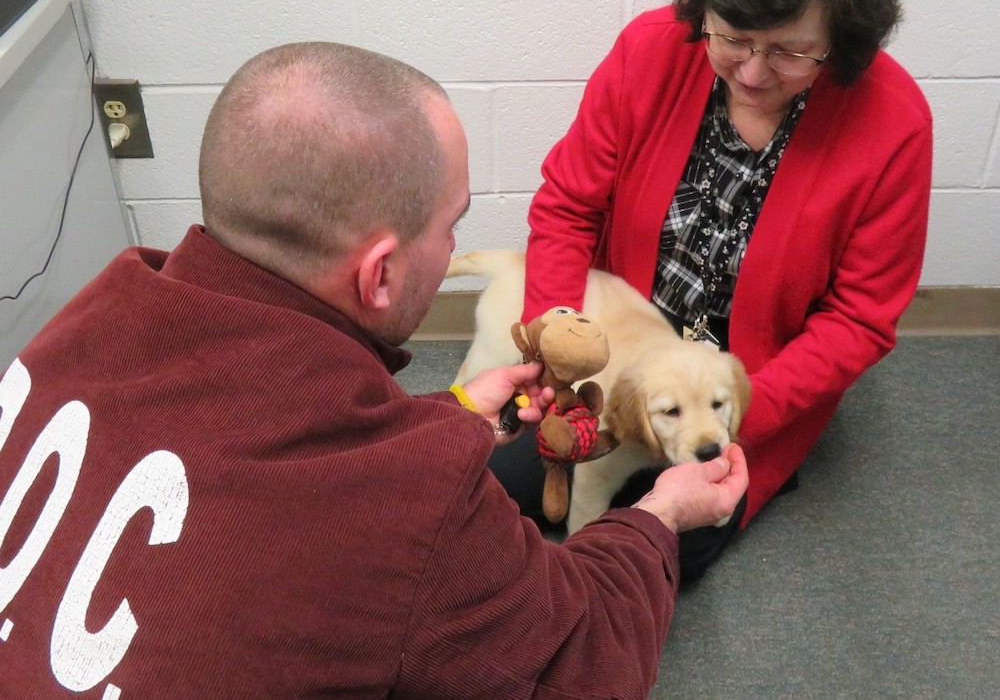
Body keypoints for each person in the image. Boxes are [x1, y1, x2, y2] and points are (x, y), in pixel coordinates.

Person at [0, 41, 747, 698]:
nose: (455, 242)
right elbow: (584, 663)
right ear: (380, 274)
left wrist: (444, 412)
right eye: (450, 225)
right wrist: (660, 517)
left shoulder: (87, 315)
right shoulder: (413, 500)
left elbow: (260, 451)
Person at [499, 0, 932, 578]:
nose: (754, 72)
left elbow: (858, 321)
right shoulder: (651, 49)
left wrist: (733, 416)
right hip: (617, 356)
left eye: (791, 51)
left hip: (742, 389)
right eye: (732, 37)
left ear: (844, 42)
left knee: (658, 537)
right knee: (488, 481)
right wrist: (556, 337)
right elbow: (569, 207)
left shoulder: (895, 125)